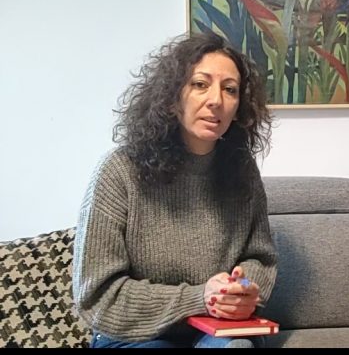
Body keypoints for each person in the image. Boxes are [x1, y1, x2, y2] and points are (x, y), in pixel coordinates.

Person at [72, 31, 277, 348]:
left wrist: (243, 289)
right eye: (200, 84)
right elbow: (98, 295)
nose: (216, 100)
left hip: (213, 330)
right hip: (135, 335)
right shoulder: (119, 171)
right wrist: (199, 298)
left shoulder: (243, 170)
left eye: (230, 89)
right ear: (172, 95)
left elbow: (259, 258)